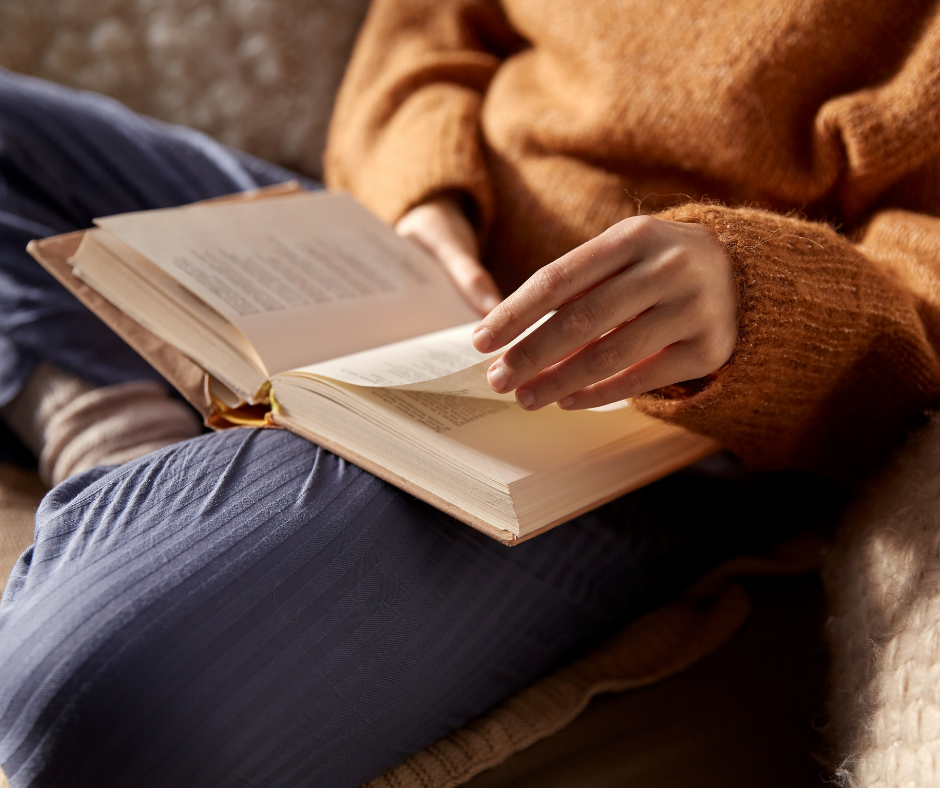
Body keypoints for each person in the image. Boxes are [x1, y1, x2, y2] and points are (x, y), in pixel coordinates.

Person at [0, 0, 936, 784]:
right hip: (400, 265)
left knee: (87, 691)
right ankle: (123, 437)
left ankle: (154, 457)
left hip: (639, 426)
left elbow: (921, 297)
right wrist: (427, 197)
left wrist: (755, 298)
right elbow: (432, 22)